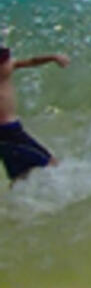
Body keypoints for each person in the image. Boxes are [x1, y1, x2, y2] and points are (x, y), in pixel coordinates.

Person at [0, 44, 69, 183]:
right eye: (5, 60)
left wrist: (53, 57)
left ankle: (17, 203)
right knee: (50, 163)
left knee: (20, 174)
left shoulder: (8, 66)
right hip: (7, 131)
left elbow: (32, 61)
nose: (10, 62)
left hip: (11, 129)